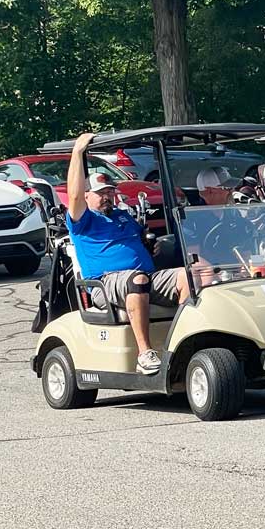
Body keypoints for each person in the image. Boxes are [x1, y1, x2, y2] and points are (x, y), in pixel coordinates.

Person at [66, 133, 191, 375]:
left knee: (191, 276)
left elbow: (140, 240)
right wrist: (77, 153)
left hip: (143, 277)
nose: (107, 197)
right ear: (86, 196)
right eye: (101, 193)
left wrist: (150, 246)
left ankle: (182, 343)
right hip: (106, 283)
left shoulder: (122, 216)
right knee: (137, 280)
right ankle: (144, 353)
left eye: (110, 192)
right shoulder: (83, 221)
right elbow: (73, 195)